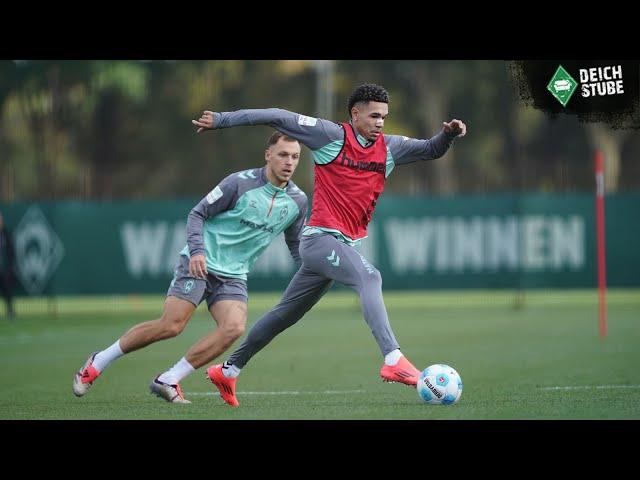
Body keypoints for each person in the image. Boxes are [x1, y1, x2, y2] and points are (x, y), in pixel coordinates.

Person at [192, 83, 467, 407]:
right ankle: (393, 358)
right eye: (374, 115)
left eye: (384, 117)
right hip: (320, 239)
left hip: (338, 246)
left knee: (284, 314)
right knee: (370, 277)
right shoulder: (330, 136)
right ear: (355, 113)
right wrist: (222, 120)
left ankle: (229, 369)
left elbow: (431, 149)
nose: (380, 122)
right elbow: (276, 116)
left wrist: (447, 135)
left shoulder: (390, 147)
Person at [73, 132, 308, 403]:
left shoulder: (298, 201)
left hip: (234, 275)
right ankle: (97, 362)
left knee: (233, 327)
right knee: (172, 325)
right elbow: (197, 213)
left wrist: (309, 273)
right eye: (282, 155)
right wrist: (196, 252)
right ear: (268, 155)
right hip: (200, 262)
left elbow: (296, 243)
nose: (289, 162)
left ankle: (168, 379)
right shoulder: (239, 183)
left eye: (295, 157)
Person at [0, 211, 16, 321]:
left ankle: (10, 311)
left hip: (3, 268)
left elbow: (10, 251)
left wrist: (9, 266)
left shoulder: (5, 234)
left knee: (7, 290)